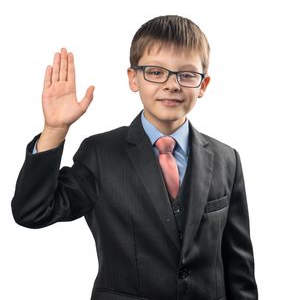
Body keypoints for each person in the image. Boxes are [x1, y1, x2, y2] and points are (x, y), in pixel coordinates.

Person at [11, 15, 258, 300]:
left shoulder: (228, 159)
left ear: (203, 85)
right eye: (156, 72)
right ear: (133, 78)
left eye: (187, 75)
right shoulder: (100, 154)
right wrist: (54, 130)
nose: (172, 85)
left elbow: (239, 265)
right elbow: (32, 212)